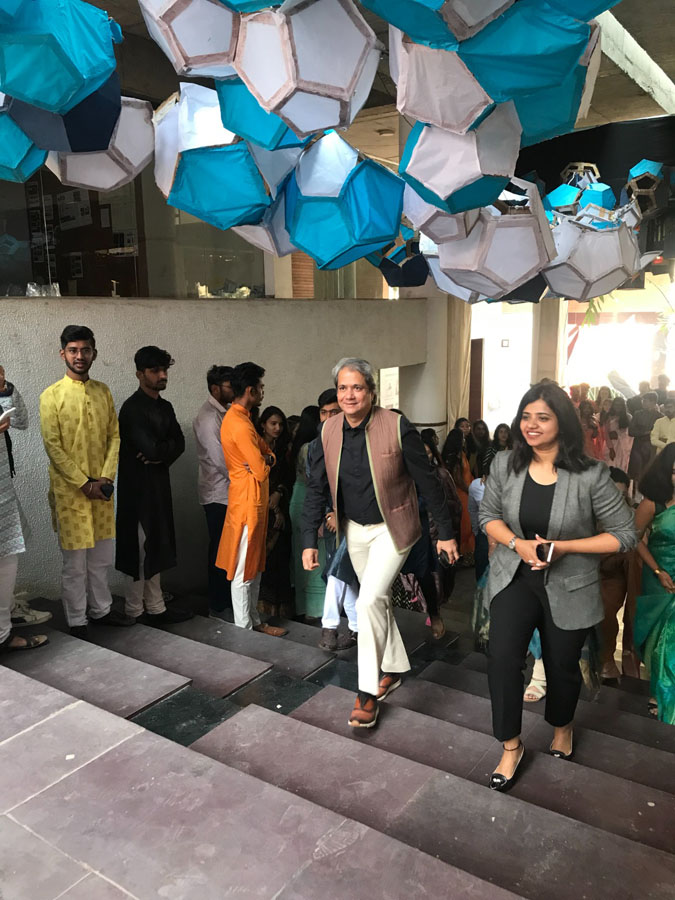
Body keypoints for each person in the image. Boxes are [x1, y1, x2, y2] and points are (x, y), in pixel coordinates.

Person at [479, 381, 636, 791]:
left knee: (562, 665)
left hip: (570, 583)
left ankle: (562, 725)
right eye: (526, 416)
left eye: (543, 418)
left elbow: (624, 534)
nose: (531, 425)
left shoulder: (590, 474)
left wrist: (563, 547)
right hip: (515, 576)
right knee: (502, 659)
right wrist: (516, 543)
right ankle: (510, 745)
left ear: (562, 423)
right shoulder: (505, 464)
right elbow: (488, 515)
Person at [302, 357, 459, 729]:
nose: (349, 395)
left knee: (369, 599)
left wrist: (447, 532)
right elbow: (316, 488)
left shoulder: (397, 426)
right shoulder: (328, 431)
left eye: (357, 387)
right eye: (343, 388)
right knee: (378, 601)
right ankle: (394, 668)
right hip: (353, 530)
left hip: (394, 528)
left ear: (371, 391)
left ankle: (367, 691)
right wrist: (309, 538)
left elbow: (428, 481)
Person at [40, 326, 134, 637]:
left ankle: (101, 610)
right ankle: (77, 620)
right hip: (71, 494)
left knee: (101, 558)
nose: (79, 356)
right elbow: (53, 446)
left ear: (94, 353)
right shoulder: (51, 396)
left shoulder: (103, 392)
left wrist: (105, 477)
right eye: (73, 350)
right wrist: (84, 483)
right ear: (63, 354)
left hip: (102, 490)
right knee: (75, 564)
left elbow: (114, 437)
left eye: (85, 350)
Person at [115, 346, 192, 625]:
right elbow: (152, 448)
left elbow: (178, 444)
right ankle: (134, 610)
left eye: (164, 370)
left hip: (158, 483)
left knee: (156, 545)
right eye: (155, 370)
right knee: (138, 548)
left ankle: (156, 607)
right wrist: (159, 451)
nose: (162, 375)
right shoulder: (131, 409)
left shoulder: (165, 407)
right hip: (136, 488)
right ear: (140, 374)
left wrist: (159, 454)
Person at [215, 362, 286, 637]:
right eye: (260, 387)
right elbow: (260, 469)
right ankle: (244, 631)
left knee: (255, 566)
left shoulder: (243, 420)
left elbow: (268, 455)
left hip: (253, 501)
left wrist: (265, 458)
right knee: (244, 570)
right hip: (247, 502)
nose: (262, 391)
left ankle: (255, 623)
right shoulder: (239, 423)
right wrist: (264, 460)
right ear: (250, 390)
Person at [0, 366, 52, 630]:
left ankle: (9, 611)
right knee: (6, 553)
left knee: (9, 550)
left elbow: (21, 421)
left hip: (3, 486)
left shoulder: (2, 388)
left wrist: (4, 390)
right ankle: (4, 631)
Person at [633, 444, 675, 723]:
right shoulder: (653, 503)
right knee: (660, 639)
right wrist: (658, 570)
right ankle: (659, 692)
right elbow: (633, 538)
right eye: (674, 471)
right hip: (660, 577)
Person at [192, 365, 234, 617]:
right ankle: (218, 605)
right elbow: (220, 460)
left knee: (228, 550)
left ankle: (226, 601)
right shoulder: (209, 417)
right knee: (220, 550)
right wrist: (245, 479)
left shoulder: (224, 412)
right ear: (215, 388)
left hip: (227, 491)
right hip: (218, 493)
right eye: (230, 385)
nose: (234, 389)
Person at [598, 467, 635, 681]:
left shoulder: (630, 515)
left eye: (620, 495)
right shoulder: (585, 512)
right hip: (584, 570)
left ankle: (607, 659)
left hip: (614, 573)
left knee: (605, 612)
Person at [257, 405, 294, 616]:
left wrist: (279, 494)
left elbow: (288, 477)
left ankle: (280, 607)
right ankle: (263, 606)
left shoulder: (283, 449)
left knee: (280, 557)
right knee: (265, 559)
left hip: (280, 505)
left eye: (280, 424)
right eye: (273, 423)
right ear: (263, 425)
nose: (277, 428)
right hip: (260, 506)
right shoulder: (256, 447)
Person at [289, 405, 324, 620]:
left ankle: (303, 606)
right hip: (310, 501)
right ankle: (316, 608)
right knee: (316, 554)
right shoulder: (311, 448)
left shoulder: (298, 446)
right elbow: (316, 482)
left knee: (300, 553)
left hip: (298, 497)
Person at [441, 428, 474, 560]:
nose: (464, 440)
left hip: (461, 492)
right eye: (463, 439)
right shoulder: (456, 456)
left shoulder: (450, 454)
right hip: (462, 493)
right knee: (465, 524)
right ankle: (463, 554)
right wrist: (469, 490)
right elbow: (458, 478)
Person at [628, 392, 662, 482]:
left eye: (645, 401)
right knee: (636, 471)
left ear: (653, 402)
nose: (643, 403)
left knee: (649, 470)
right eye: (643, 401)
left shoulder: (660, 417)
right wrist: (646, 432)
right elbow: (631, 431)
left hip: (652, 447)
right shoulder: (637, 414)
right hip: (638, 446)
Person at [601, 396, 633, 472]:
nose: (618, 407)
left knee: (621, 467)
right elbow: (606, 434)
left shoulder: (628, 417)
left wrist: (618, 435)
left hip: (623, 446)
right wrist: (611, 449)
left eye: (620, 405)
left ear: (623, 406)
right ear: (613, 405)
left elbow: (630, 433)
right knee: (610, 466)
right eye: (616, 405)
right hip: (611, 444)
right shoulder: (608, 416)